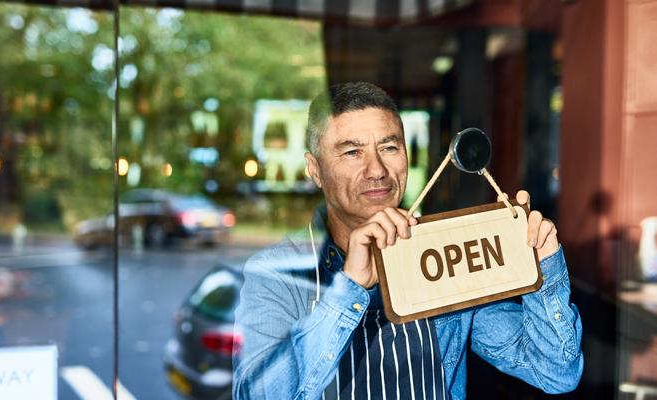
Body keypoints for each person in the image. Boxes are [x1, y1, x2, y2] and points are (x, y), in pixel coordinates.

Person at [233, 82, 583, 400]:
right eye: (351, 152)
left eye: (389, 147)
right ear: (314, 169)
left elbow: (554, 373)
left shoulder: (442, 253)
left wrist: (544, 268)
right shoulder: (276, 273)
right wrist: (349, 289)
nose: (376, 170)